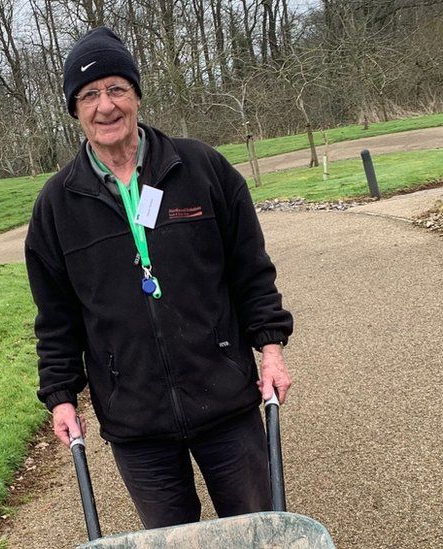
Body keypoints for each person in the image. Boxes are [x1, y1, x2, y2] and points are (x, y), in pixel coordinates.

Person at [24, 27, 294, 529]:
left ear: (137, 95)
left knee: (257, 532)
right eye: (89, 95)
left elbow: (251, 270)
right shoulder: (56, 206)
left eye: (116, 89)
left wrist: (271, 348)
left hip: (227, 404)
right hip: (136, 426)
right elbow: (56, 317)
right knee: (174, 541)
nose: (105, 106)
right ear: (74, 110)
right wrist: (61, 396)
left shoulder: (201, 168)